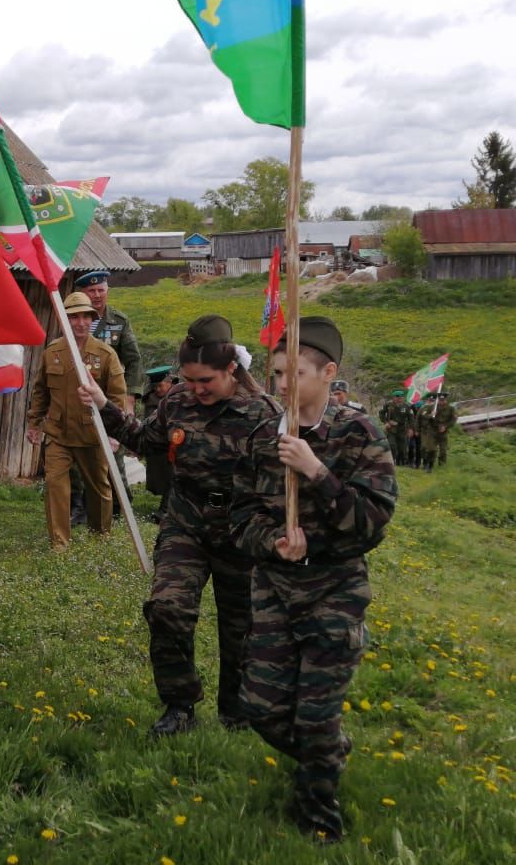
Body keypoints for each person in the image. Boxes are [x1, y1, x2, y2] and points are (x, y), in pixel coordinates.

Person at [230, 316, 398, 843]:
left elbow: (371, 523)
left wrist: (317, 472)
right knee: (260, 708)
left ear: (328, 373)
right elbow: (239, 519)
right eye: (277, 373)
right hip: (275, 590)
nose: (282, 385)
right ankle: (324, 756)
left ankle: (319, 825)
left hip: (334, 590)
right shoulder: (262, 436)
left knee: (317, 716)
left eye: (294, 373)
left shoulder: (358, 434)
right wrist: (272, 542)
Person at [80, 316, 279, 735]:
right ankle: (179, 706)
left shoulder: (264, 415)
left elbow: (278, 486)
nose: (196, 390)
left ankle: (236, 710)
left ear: (231, 370)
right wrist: (103, 404)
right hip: (185, 523)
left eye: (205, 380)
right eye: (189, 381)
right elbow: (145, 441)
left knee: (241, 624)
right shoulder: (176, 403)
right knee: (168, 609)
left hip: (242, 531)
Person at [26, 292, 127, 551]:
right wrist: (35, 423)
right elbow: (41, 391)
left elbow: (117, 396)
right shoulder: (52, 352)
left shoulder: (106, 355)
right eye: (74, 317)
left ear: (92, 320)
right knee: (55, 485)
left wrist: (116, 433)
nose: (80, 323)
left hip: (93, 434)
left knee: (99, 489)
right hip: (58, 433)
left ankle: (100, 536)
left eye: (85, 317)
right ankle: (59, 543)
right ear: (64, 320)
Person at [70, 270, 143, 523]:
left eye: (101, 290)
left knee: (115, 451)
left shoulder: (119, 321)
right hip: (83, 396)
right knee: (79, 451)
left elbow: (134, 361)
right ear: (83, 293)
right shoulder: (74, 321)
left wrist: (130, 399)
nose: (97, 295)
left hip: (111, 396)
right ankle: (80, 507)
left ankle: (122, 505)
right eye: (92, 291)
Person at [141, 365, 176, 522]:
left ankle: (164, 511)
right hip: (158, 445)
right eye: (154, 386)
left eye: (160, 386)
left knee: (174, 476)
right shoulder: (152, 399)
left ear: (170, 382)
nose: (157, 389)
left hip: (177, 443)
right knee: (163, 476)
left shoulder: (181, 395)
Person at [379, 389, 409, 467]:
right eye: (397, 397)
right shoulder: (388, 405)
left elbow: (410, 418)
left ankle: (401, 461)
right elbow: (381, 413)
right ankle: (392, 461)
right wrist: (386, 422)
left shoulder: (406, 406)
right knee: (392, 445)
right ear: (394, 397)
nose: (399, 399)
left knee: (402, 448)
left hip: (402, 429)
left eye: (401, 397)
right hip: (391, 429)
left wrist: (411, 428)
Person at [427, 389, 456, 466]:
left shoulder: (451, 409)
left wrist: (445, 427)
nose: (442, 401)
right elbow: (425, 418)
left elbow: (453, 420)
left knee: (443, 450)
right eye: (440, 399)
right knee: (432, 449)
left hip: (443, 432)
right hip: (433, 432)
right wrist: (431, 415)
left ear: (446, 400)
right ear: (438, 400)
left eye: (443, 400)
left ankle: (442, 465)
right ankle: (430, 464)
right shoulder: (432, 407)